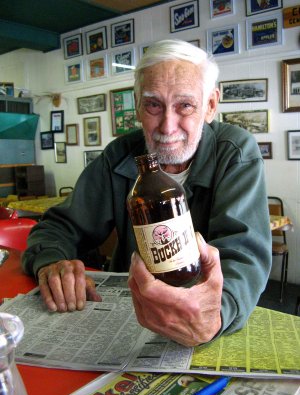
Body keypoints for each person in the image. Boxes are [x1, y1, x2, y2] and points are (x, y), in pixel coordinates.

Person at [22, 39, 272, 347]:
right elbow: (60, 227)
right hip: (128, 316)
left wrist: (215, 314)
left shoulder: (234, 152)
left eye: (185, 105)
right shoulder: (120, 155)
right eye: (154, 104)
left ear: (210, 106)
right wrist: (51, 262)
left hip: (211, 325)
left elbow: (244, 255)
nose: (167, 127)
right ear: (138, 106)